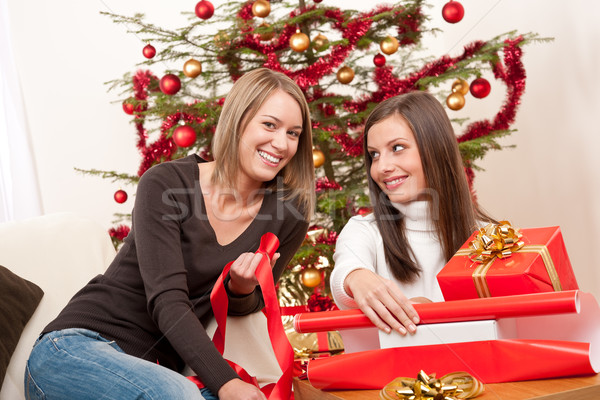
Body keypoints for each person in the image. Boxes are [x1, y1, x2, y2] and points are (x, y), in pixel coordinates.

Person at [24, 68, 315, 400]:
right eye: (269, 125)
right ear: (237, 121)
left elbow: (248, 306)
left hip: (159, 375)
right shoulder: (166, 184)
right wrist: (227, 382)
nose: (281, 143)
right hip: (75, 350)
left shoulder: (287, 215)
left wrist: (240, 288)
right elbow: (167, 300)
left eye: (293, 133)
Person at [330, 91, 493, 336]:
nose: (382, 167)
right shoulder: (364, 230)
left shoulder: (487, 238)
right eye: (374, 154)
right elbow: (345, 271)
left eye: (397, 148)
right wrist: (357, 277)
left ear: (436, 150)